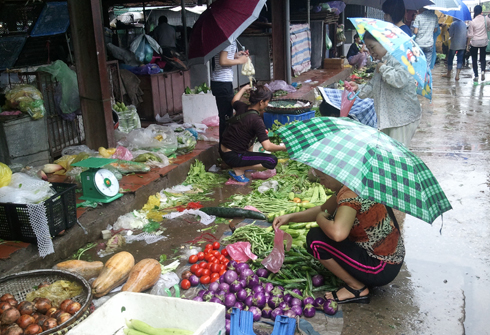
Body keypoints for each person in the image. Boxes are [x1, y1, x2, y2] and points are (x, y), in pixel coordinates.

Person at [273, 169, 404, 304]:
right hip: (389, 260)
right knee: (327, 230)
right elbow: (323, 209)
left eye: (322, 178)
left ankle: (356, 288)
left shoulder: (350, 194)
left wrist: (320, 219)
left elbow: (337, 234)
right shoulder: (356, 185)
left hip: (380, 267)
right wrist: (289, 218)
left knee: (315, 240)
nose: (322, 183)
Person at [347, 31, 421, 148]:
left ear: (384, 42)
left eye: (372, 47)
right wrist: (358, 88)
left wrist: (383, 69)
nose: (371, 53)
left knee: (396, 157)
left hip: (402, 118)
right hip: (388, 117)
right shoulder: (382, 62)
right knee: (387, 154)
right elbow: (374, 87)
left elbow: (400, 80)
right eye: (368, 48)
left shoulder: (399, 58)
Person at [220, 85, 287, 183]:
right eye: (267, 102)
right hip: (234, 155)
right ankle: (239, 169)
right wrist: (284, 147)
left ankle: (238, 164)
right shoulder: (257, 121)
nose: (267, 105)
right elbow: (267, 146)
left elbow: (234, 100)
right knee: (272, 160)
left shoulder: (242, 107)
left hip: (223, 151)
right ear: (261, 102)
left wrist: (243, 89)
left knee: (252, 143)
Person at [211, 40, 249, 140]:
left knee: (226, 116)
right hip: (222, 82)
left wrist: (237, 55)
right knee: (227, 118)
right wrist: (240, 61)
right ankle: (225, 149)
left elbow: (223, 56)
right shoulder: (228, 41)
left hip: (220, 82)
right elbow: (223, 61)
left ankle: (224, 147)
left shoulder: (226, 40)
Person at [466, 5, 490, 82]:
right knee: (483, 57)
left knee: (474, 58)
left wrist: (467, 44)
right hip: (484, 41)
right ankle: (483, 71)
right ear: (481, 11)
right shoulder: (486, 19)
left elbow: (470, 35)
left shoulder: (472, 21)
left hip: (475, 42)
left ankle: (476, 75)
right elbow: (488, 28)